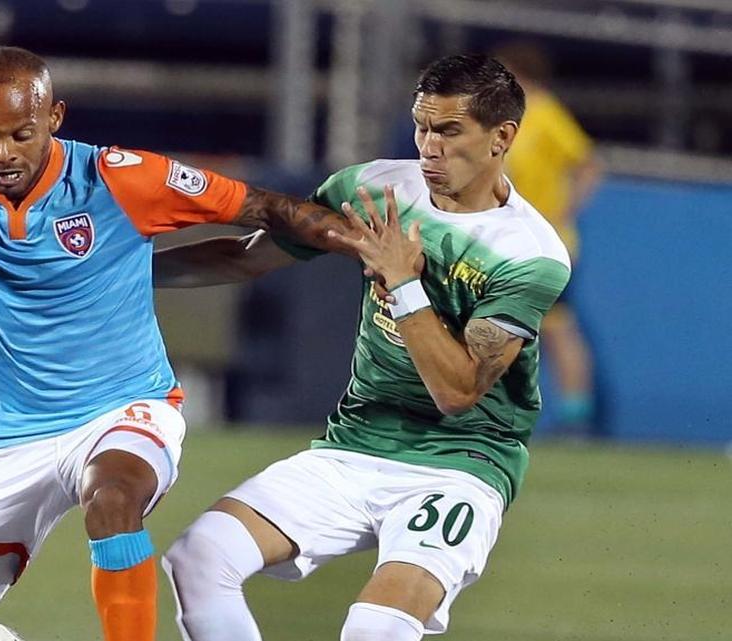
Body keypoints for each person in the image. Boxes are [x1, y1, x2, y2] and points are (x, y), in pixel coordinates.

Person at [0, 46, 359, 641]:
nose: (3, 154)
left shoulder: (120, 178)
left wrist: (363, 243)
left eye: (21, 134)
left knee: (111, 499)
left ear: (54, 118)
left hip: (122, 408)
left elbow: (267, 208)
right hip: (3, 442)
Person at [156, 54, 571, 641]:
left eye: (450, 131)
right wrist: (118, 274)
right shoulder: (372, 187)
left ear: (502, 136)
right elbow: (244, 256)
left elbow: (457, 391)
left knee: (374, 629)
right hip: (352, 447)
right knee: (198, 558)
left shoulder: (531, 255)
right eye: (422, 126)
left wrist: (403, 282)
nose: (429, 146)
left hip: (459, 466)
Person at [495, 40, 602, 433]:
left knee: (554, 327)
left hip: (545, 242)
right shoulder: (513, 118)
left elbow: (588, 163)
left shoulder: (544, 113)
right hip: (512, 240)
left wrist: (563, 213)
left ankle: (575, 417)